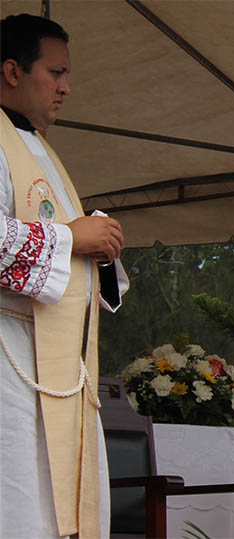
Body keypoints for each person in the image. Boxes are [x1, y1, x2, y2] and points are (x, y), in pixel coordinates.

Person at [1, 13, 126, 537]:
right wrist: (74, 238)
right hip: (10, 355)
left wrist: (102, 250)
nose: (67, 88)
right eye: (55, 73)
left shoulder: (39, 148)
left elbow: (59, 240)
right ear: (12, 70)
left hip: (57, 363)